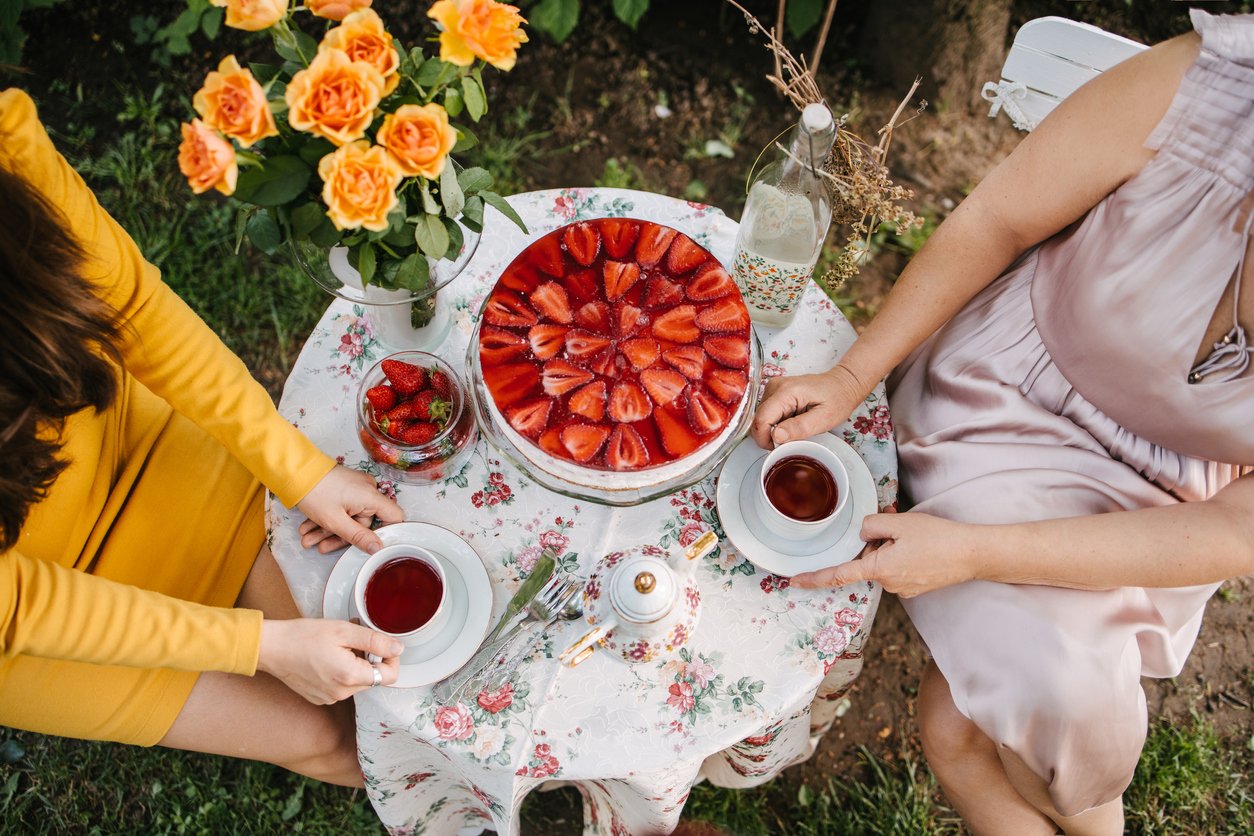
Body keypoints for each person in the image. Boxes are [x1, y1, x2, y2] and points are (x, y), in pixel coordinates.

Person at [752, 11, 1253, 835]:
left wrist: (973, 554)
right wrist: (850, 376)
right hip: (1001, 401)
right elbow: (998, 220)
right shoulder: (1215, 84)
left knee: (964, 727)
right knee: (1055, 700)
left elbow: (1240, 530)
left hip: (1166, 508)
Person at [0, 87, 409, 787]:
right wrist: (264, 647)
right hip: (28, 630)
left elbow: (133, 307)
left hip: (135, 447)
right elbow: (23, 605)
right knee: (329, 741)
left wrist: (300, 472)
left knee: (386, 696)